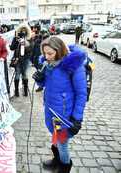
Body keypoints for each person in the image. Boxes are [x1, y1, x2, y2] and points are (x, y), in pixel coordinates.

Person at [32, 37, 87, 173]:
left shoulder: (72, 66)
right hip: (51, 110)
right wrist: (40, 80)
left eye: (50, 53)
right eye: (45, 53)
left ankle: (64, 166)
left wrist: (77, 118)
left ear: (59, 50)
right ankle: (57, 159)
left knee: (62, 143)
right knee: (55, 137)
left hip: (63, 114)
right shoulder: (48, 63)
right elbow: (45, 84)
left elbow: (81, 94)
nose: (47, 57)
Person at [10, 24, 32, 97]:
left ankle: (25, 91)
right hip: (17, 59)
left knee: (24, 74)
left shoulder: (29, 39)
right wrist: (16, 41)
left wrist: (26, 44)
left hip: (25, 59)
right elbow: (12, 48)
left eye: (25, 31)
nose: (23, 32)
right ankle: (16, 91)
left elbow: (31, 50)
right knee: (17, 74)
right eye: (21, 31)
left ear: (27, 32)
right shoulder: (16, 38)